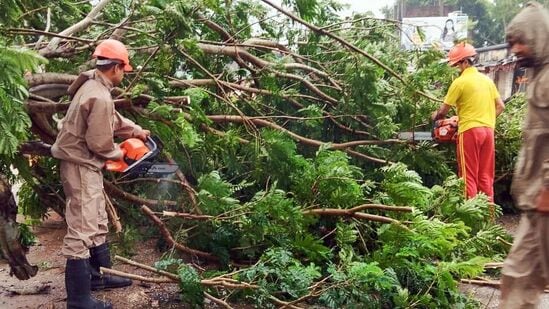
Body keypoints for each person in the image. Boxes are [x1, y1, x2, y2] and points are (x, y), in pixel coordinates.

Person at [51, 39, 150, 309]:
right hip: (80, 163)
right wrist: (122, 153)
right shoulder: (99, 95)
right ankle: (79, 300)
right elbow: (100, 144)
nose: (123, 74)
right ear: (116, 67)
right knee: (82, 227)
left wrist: (136, 131)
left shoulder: (93, 85)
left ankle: (99, 276)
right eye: (123, 69)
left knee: (96, 219)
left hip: (84, 163)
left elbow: (112, 120)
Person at [499, 2, 549, 308]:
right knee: (517, 275)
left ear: (539, 36)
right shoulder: (538, 75)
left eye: (522, 40)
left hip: (547, 197)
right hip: (535, 203)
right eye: (511, 42)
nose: (516, 48)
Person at [431, 42, 505, 204]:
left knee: (468, 176)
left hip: (470, 132)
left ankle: (471, 217)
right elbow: (501, 107)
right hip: (488, 131)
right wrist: (484, 120)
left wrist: (434, 117)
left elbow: (443, 112)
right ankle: (488, 219)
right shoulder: (487, 81)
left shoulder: (459, 82)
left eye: (457, 65)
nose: (457, 68)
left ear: (465, 62)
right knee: (485, 176)